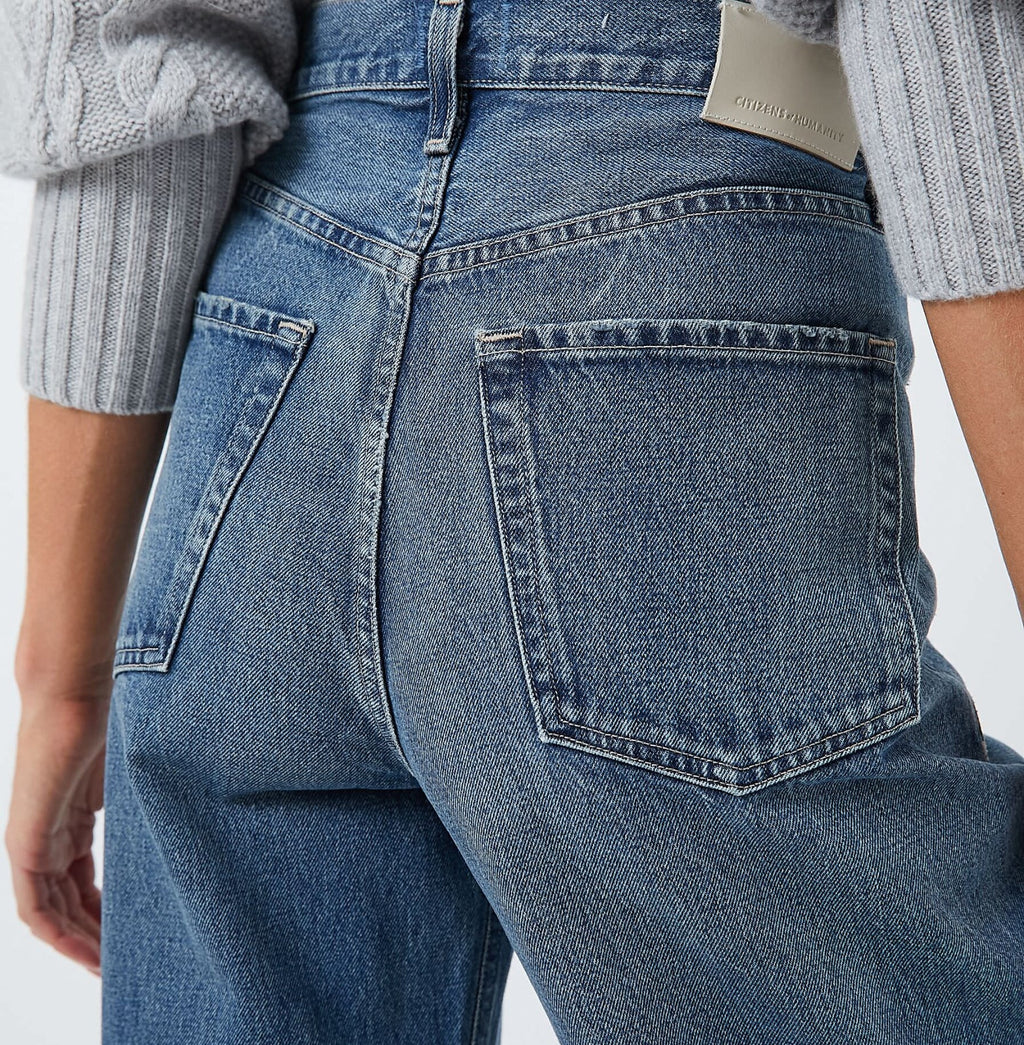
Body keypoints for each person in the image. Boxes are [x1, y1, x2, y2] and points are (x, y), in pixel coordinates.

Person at [2, 0, 1023, 1041]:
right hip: (663, 263)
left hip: (270, 341)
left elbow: (135, 64)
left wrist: (62, 667)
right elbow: (945, 34)